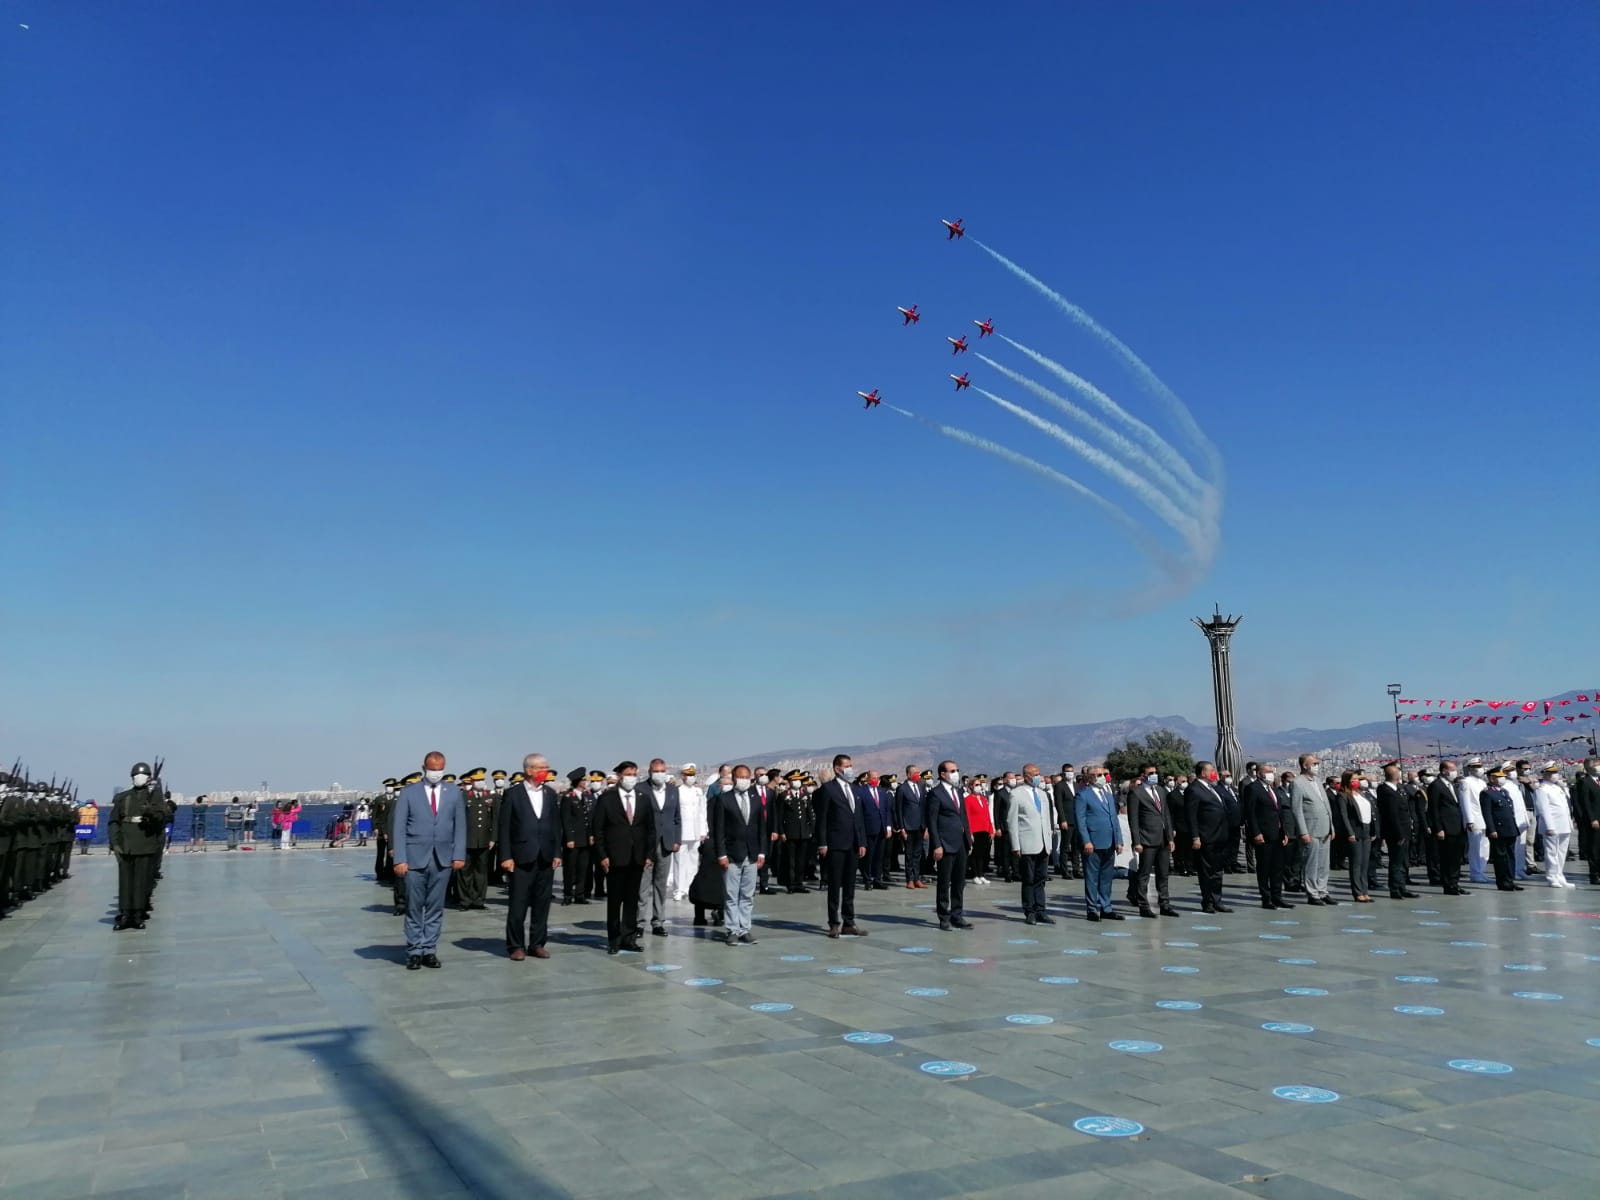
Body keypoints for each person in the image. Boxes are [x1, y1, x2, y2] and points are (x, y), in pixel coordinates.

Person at [391, 753, 467, 970]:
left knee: (435, 908)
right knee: (415, 907)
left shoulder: (453, 792)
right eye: (432, 769)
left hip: (442, 859)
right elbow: (399, 827)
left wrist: (459, 854)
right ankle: (414, 950)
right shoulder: (409, 792)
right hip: (415, 858)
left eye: (440, 769)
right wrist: (400, 858)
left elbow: (460, 825)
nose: (436, 773)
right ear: (424, 768)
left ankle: (429, 949)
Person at [498, 754, 562, 960]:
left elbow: (555, 826)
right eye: (541, 767)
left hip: (545, 856)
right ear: (529, 770)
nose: (545, 771)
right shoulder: (513, 794)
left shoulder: (551, 794)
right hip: (521, 857)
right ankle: (516, 945)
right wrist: (506, 856)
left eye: (546, 767)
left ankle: (537, 943)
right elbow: (504, 827)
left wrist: (557, 853)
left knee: (542, 903)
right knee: (518, 903)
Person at [589, 762, 655, 955]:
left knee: (632, 900)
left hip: (637, 857)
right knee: (615, 900)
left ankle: (629, 938)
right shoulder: (607, 799)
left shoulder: (643, 798)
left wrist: (649, 854)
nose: (632, 777)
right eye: (628, 774)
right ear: (619, 776)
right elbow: (598, 829)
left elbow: (650, 829)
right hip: (615, 857)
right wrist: (602, 855)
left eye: (634, 774)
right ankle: (614, 939)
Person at [709, 764, 766, 945]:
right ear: (733, 778)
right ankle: (732, 929)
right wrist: (721, 854)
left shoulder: (755, 798)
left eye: (747, 777)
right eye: (740, 777)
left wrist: (762, 852)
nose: (744, 780)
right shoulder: (724, 799)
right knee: (731, 894)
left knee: (747, 895)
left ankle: (745, 929)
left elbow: (762, 828)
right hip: (732, 854)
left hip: (752, 853)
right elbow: (718, 830)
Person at [814, 755, 868, 938]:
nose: (850, 769)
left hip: (853, 844)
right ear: (837, 769)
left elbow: (858, 818)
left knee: (850, 885)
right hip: (835, 843)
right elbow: (821, 819)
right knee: (835, 885)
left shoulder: (855, 789)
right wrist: (822, 842)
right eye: (847, 766)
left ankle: (849, 922)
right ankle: (833, 923)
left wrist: (861, 842)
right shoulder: (828, 789)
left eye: (851, 765)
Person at [109, 763, 167, 930]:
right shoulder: (123, 797)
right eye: (136, 775)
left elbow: (161, 819)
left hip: (144, 844)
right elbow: (114, 821)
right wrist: (115, 842)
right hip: (126, 844)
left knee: (140, 881)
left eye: (142, 775)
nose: (139, 778)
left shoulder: (155, 798)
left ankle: (137, 914)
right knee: (125, 881)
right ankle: (126, 913)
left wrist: (151, 811)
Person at [1006, 763, 1055, 925]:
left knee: (1041, 878)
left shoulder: (1042, 794)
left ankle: (1041, 909)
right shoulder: (1016, 794)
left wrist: (1049, 837)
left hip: (1043, 842)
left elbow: (1046, 818)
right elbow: (1011, 821)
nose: (1038, 777)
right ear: (1026, 776)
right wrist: (1016, 845)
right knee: (1029, 879)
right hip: (1027, 843)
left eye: (1039, 774)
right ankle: (1029, 911)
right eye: (1034, 774)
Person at [926, 760, 972, 931]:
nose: (955, 773)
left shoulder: (958, 792)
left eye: (957, 770)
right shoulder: (936, 794)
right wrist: (936, 844)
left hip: (960, 843)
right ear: (942, 774)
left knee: (959, 882)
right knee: (944, 882)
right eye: (952, 771)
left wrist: (968, 838)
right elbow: (932, 821)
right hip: (945, 843)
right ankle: (943, 916)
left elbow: (963, 817)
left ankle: (957, 914)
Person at [1183, 761, 1234, 914]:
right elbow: (1191, 816)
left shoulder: (1213, 788)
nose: (1214, 773)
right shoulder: (1194, 790)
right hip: (1206, 837)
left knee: (1218, 871)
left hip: (1220, 836)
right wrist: (1195, 837)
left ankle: (1217, 900)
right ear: (1203, 773)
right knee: (1206, 871)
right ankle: (1207, 902)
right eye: (1211, 771)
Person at [1128, 762, 1178, 917]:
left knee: (1163, 873)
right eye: (1150, 773)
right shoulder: (1136, 793)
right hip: (1147, 839)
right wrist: (1136, 841)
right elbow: (1133, 820)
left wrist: (1170, 837)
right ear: (1143, 776)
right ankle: (1144, 906)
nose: (1154, 775)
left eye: (1155, 772)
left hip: (1163, 839)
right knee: (1144, 873)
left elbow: (1166, 815)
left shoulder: (1161, 791)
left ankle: (1165, 904)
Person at [638, 759, 682, 937]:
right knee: (642, 885)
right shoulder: (640, 789)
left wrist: (676, 839)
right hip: (647, 845)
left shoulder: (673, 790)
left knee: (661, 885)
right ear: (649, 772)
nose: (660, 774)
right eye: (656, 771)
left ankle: (658, 921)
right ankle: (638, 922)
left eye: (662, 771)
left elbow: (677, 817)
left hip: (666, 843)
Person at [1243, 761, 1294, 910]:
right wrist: (1256, 832)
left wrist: (1284, 832)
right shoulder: (1253, 789)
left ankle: (1277, 896)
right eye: (1267, 772)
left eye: (1272, 771)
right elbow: (1250, 813)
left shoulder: (1274, 789)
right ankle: (1266, 898)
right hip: (1264, 835)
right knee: (1264, 867)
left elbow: (1279, 812)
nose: (1271, 774)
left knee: (1277, 867)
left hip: (1277, 834)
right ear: (1259, 774)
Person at [1291, 754, 1337, 906]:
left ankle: (1323, 891)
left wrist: (1331, 827)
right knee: (1311, 863)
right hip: (1311, 829)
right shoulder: (1298, 783)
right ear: (1305, 765)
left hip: (1324, 829)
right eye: (1314, 763)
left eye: (1318, 763)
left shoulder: (1318, 781)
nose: (1317, 765)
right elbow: (1296, 809)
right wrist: (1303, 831)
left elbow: (1326, 805)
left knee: (1324, 863)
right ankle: (1312, 893)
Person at [1376, 763, 1418, 899]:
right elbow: (1392, 815)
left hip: (1404, 829)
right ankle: (1395, 889)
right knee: (1396, 861)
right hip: (1396, 832)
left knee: (1403, 861)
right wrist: (1399, 834)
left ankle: (1402, 886)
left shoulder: (1398, 789)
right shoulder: (1386, 791)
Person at [1331, 771, 1374, 902]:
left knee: (1365, 863)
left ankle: (1365, 890)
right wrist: (1350, 833)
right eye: (1354, 779)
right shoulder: (1343, 796)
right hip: (1354, 831)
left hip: (1366, 830)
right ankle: (1357, 892)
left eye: (1358, 779)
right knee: (1356, 863)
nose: (1357, 781)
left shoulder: (1361, 794)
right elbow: (1343, 816)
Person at [1532, 764, 1575, 889]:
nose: (1554, 775)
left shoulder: (1558, 788)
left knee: (1561, 852)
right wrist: (1549, 827)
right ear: (1545, 774)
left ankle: (1560, 875)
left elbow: (1565, 807)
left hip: (1564, 824)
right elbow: (1543, 809)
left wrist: (1569, 823)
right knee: (1552, 852)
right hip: (1552, 825)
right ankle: (1552, 877)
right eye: (1551, 773)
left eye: (1555, 772)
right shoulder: (1542, 789)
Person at [1481, 766, 1523, 892]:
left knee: (1510, 856)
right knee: (1500, 857)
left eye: (1502, 777)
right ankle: (1503, 882)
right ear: (1492, 778)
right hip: (1498, 830)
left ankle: (1510, 880)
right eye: (1499, 777)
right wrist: (1492, 829)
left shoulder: (1504, 791)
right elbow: (1487, 813)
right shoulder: (1487, 793)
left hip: (1510, 829)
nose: (1502, 779)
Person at [559, 768, 594, 905]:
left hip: (584, 838)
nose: (586, 782)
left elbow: (588, 818)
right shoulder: (568, 798)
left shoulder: (585, 796)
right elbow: (566, 820)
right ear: (578, 781)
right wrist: (569, 838)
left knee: (583, 868)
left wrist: (590, 835)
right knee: (570, 868)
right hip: (573, 839)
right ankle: (568, 895)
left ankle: (580, 894)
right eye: (584, 780)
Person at [674, 764, 706, 900]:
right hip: (682, 831)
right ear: (682, 776)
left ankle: (690, 886)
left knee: (694, 860)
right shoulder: (677, 791)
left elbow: (702, 812)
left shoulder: (698, 792)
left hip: (696, 831)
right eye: (688, 774)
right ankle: (679, 889)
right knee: (680, 861)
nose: (691, 777)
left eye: (693, 774)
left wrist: (704, 830)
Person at [893, 767, 929, 889]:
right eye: (915, 773)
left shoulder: (921, 788)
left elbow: (924, 808)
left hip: (920, 826)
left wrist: (926, 827)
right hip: (908, 827)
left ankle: (917, 878)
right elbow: (899, 810)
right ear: (908, 775)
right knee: (909, 854)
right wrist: (901, 828)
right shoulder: (902, 789)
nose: (918, 775)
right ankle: (909, 879)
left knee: (918, 855)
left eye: (918, 773)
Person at [856, 769, 892, 891]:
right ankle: (867, 879)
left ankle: (877, 879)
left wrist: (888, 826)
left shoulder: (882, 792)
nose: (875, 780)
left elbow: (887, 810)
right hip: (869, 829)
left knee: (879, 856)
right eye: (873, 778)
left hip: (882, 829)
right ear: (867, 779)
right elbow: (859, 812)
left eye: (877, 778)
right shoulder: (861, 792)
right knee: (869, 856)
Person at [1458, 759, 1490, 883]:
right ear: (1470, 768)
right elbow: (1465, 802)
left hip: (1484, 819)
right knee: (1475, 847)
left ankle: (1481, 871)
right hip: (1475, 819)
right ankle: (1475, 873)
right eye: (1476, 766)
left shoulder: (1482, 783)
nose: (1479, 768)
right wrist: (1469, 820)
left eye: (1480, 766)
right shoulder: (1466, 782)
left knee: (1485, 847)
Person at [965, 775, 996, 885]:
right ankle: (975, 874)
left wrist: (991, 829)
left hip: (984, 829)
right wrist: (970, 832)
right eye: (976, 785)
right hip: (975, 830)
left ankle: (981, 874)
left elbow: (988, 815)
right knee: (975, 854)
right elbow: (967, 817)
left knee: (983, 854)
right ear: (971, 786)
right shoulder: (968, 800)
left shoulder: (983, 799)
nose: (979, 787)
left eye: (979, 785)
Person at [1574, 757, 1600, 886]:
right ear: (1589, 768)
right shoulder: (1585, 782)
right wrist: (1592, 819)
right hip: (1594, 821)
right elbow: (1585, 803)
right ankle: (1594, 875)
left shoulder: (1598, 781)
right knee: (1594, 848)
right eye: (1597, 765)